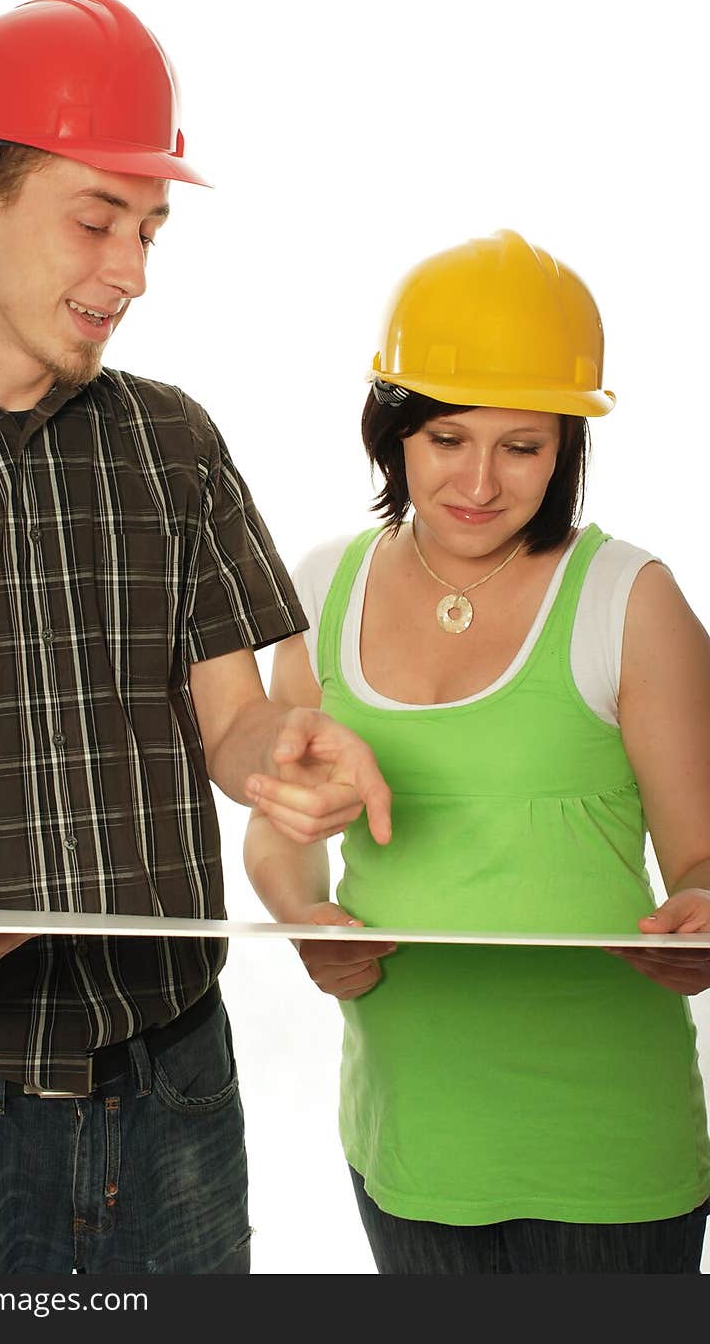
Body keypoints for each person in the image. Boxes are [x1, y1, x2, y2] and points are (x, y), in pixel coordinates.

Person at [0, 0, 391, 1276]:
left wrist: (281, 753)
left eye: (148, 228)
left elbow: (231, 719)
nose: (131, 271)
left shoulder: (171, 439)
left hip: (178, 1092)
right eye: (95, 219)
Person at [243, 228, 710, 1274]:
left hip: (606, 1159)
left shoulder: (630, 601)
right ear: (393, 429)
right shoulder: (321, 590)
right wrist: (301, 914)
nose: (481, 482)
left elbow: (701, 858)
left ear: (566, 448)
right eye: (448, 437)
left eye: (524, 445)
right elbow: (280, 829)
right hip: (406, 1139)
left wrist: (701, 914)